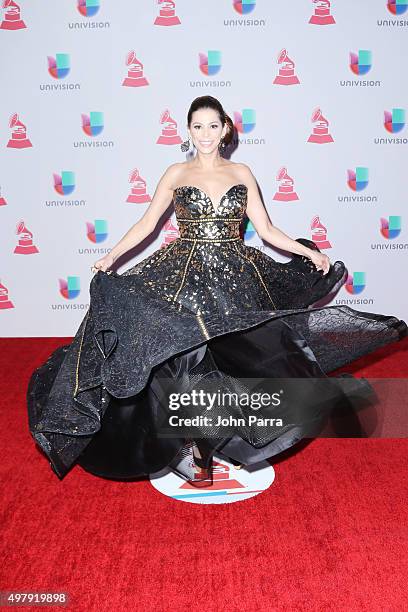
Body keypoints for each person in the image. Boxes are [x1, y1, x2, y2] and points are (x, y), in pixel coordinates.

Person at [27, 95, 407, 486]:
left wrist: (308, 252)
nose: (205, 134)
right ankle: (194, 452)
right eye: (197, 126)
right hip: (184, 275)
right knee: (186, 363)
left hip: (234, 276)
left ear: (225, 129)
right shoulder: (175, 173)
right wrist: (111, 256)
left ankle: (226, 443)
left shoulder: (242, 172)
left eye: (212, 126)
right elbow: (146, 224)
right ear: (187, 131)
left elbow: (267, 231)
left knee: (239, 360)